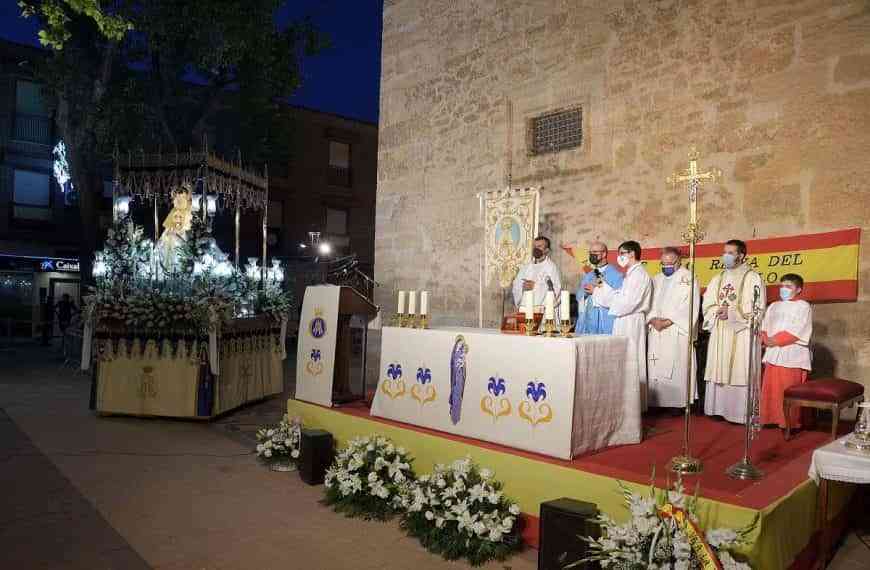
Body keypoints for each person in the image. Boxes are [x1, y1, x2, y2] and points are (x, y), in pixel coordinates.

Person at [702, 239, 765, 424]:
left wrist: (732, 313)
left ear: (741, 255)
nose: (726, 256)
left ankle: (740, 414)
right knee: (719, 366)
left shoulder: (753, 277)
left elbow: (758, 307)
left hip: (742, 332)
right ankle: (718, 409)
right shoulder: (718, 278)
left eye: (730, 252)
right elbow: (708, 303)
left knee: (740, 367)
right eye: (725, 252)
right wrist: (716, 311)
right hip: (721, 330)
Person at [592, 240, 653, 410]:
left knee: (632, 360)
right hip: (623, 319)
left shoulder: (640, 275)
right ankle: (624, 402)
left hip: (631, 320)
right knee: (623, 360)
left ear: (631, 254)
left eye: (621, 254)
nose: (619, 257)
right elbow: (617, 296)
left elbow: (629, 302)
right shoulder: (630, 274)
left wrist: (613, 303)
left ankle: (633, 405)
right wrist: (603, 289)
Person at [647, 247, 700, 410]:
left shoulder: (688, 278)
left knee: (677, 366)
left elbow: (691, 305)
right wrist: (652, 319)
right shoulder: (656, 279)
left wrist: (669, 321)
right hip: (656, 329)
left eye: (670, 263)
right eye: (663, 263)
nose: (666, 267)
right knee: (656, 364)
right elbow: (649, 302)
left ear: (679, 261)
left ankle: (677, 404)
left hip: (676, 329)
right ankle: (656, 402)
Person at [759, 274, 812, 430]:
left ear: (798, 289)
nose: (784, 289)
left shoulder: (803, 306)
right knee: (770, 388)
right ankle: (769, 418)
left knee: (788, 388)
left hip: (791, 353)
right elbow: (764, 326)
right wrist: (765, 338)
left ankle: (789, 422)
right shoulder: (774, 305)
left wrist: (774, 341)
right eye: (782, 286)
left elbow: (798, 329)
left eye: (788, 286)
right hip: (773, 352)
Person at [576, 241, 624, 334]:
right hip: (588, 319)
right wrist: (585, 293)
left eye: (595, 252)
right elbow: (579, 296)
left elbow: (617, 300)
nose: (591, 255)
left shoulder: (615, 275)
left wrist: (596, 291)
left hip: (604, 319)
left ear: (604, 254)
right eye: (590, 253)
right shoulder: (589, 275)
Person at [512, 235, 562, 313]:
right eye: (535, 246)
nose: (536, 248)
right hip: (526, 309)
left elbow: (556, 289)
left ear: (547, 250)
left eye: (539, 246)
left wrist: (535, 286)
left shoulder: (551, 268)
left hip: (542, 312)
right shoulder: (526, 267)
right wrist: (522, 288)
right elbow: (516, 285)